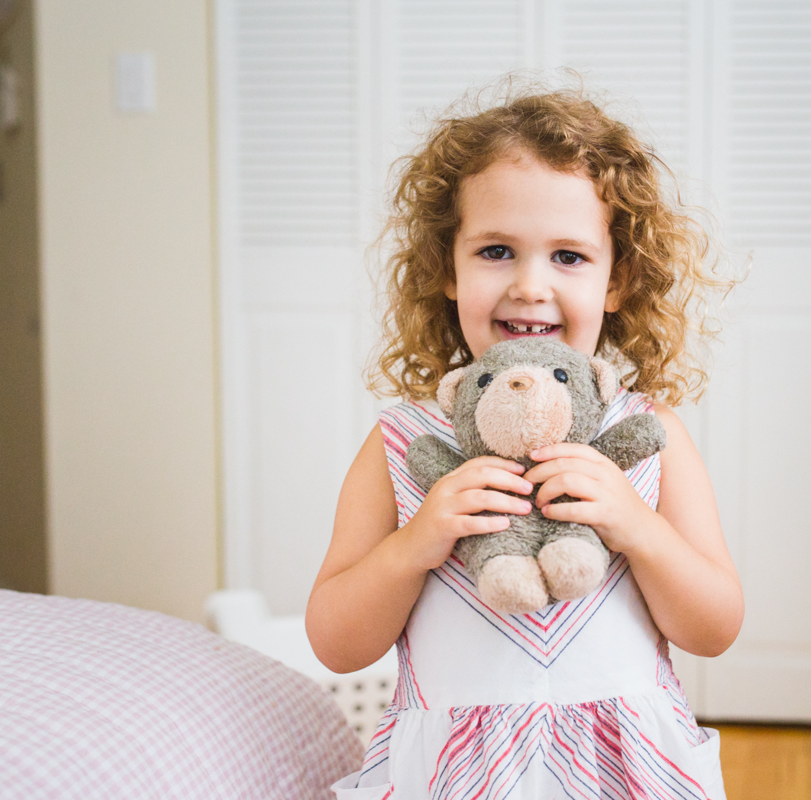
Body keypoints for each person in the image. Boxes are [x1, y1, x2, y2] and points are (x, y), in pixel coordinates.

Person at [307, 84, 744, 800]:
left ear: (618, 279)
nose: (530, 285)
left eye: (568, 257)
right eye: (497, 251)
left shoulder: (649, 434)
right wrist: (419, 541)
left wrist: (635, 527)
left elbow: (715, 625)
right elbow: (336, 639)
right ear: (447, 268)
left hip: (620, 773)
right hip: (453, 774)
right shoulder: (403, 442)